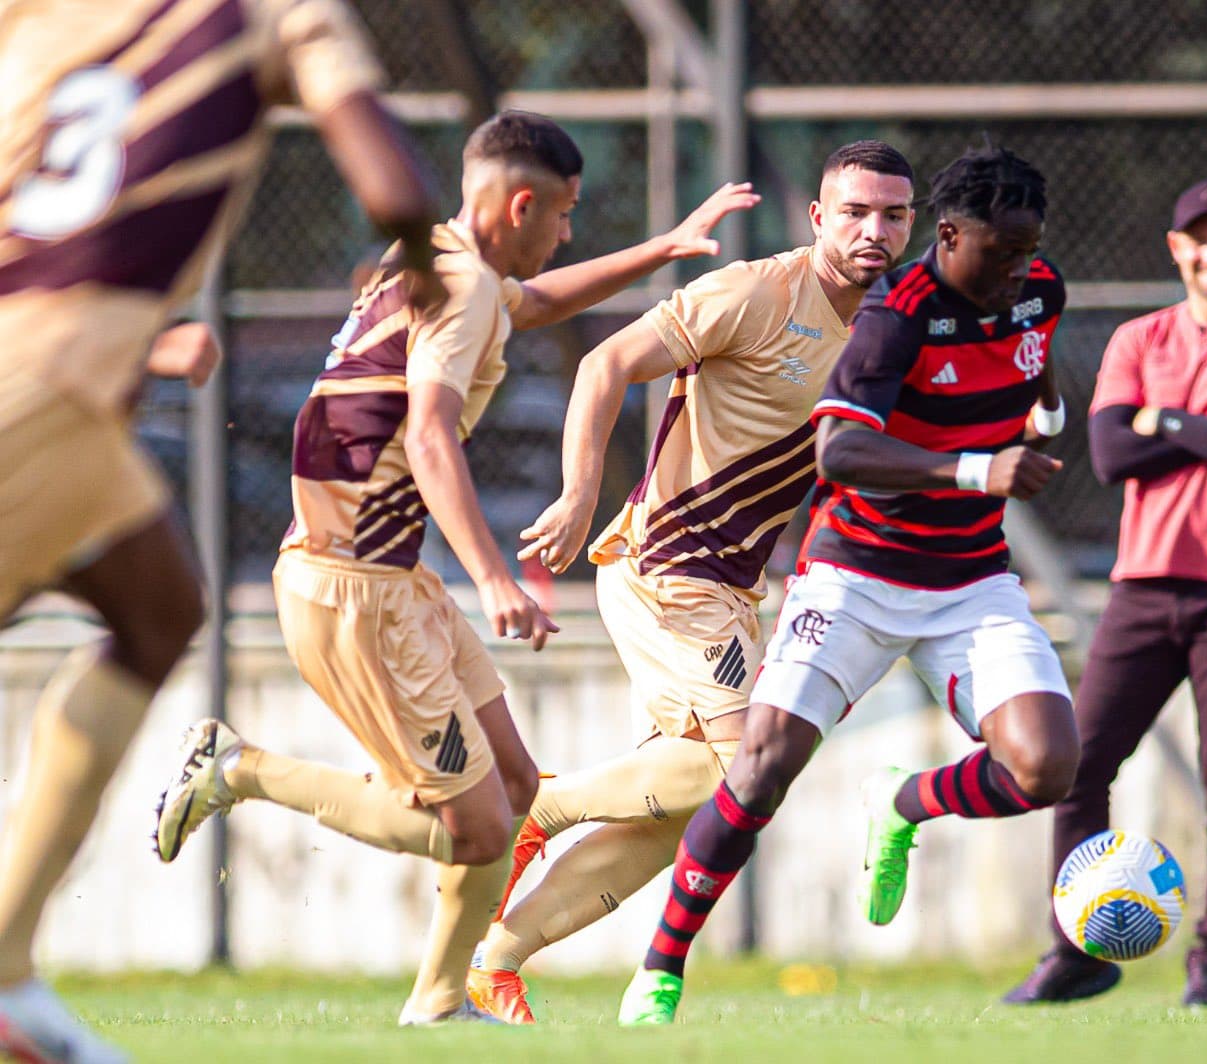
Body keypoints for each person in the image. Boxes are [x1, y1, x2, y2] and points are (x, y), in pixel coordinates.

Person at [152, 110, 757, 1027]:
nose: (564, 233)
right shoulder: (464, 289)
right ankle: (241, 769)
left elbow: (540, 302)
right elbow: (429, 435)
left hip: (392, 582)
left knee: (513, 793)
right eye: (561, 217)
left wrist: (665, 249)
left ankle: (444, 997)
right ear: (520, 203)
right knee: (470, 828)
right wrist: (495, 577)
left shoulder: (433, 257)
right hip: (352, 587)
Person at [0, 1, 443, 1058]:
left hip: (57, 393)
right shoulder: (278, 16)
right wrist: (425, 257)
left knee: (161, 607)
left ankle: (9, 965)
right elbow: (390, 187)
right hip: (44, 401)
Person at [613, 147, 1078, 1027]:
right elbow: (841, 453)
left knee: (1048, 766)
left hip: (972, 581)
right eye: (1001, 253)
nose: (1019, 269)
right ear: (947, 236)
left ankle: (901, 802)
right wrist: (980, 468)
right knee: (760, 771)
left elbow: (1035, 348)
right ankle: (661, 970)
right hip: (855, 573)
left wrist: (1046, 410)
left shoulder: (1034, 284)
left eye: (1029, 251)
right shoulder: (895, 317)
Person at [464, 140, 918, 1024]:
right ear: (819, 217)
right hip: (665, 570)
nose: (875, 230)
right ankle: (539, 807)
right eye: (855, 212)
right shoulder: (754, 292)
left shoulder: (893, 322)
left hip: (736, 592)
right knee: (737, 776)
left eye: (893, 215)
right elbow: (604, 366)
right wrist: (578, 493)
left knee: (687, 814)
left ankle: (499, 958)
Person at [1003, 178, 1207, 1010]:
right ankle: (1076, 954)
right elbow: (1110, 454)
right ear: (1176, 249)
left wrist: (1165, 421)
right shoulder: (1139, 340)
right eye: (1200, 239)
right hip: (1142, 587)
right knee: (1078, 768)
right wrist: (1204, 420)